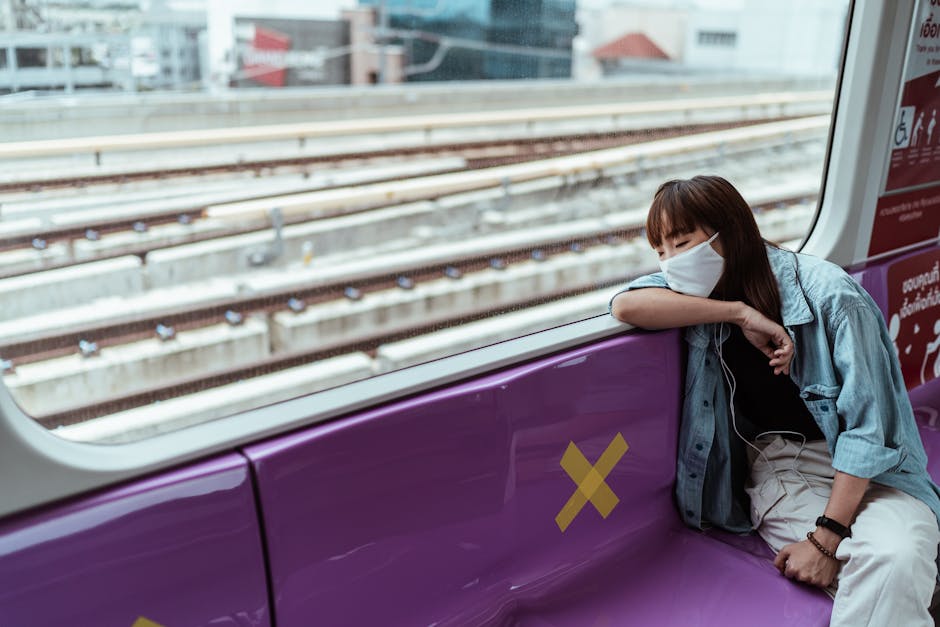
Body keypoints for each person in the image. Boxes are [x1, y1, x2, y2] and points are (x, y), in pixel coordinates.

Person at [609, 175, 940, 626]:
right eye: (660, 251)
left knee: (898, 557)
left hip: (875, 471)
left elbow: (869, 432)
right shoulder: (704, 296)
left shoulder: (833, 298)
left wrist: (825, 540)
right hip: (783, 468)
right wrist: (739, 313)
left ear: (729, 233)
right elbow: (627, 306)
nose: (670, 263)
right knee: (894, 566)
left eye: (682, 243)